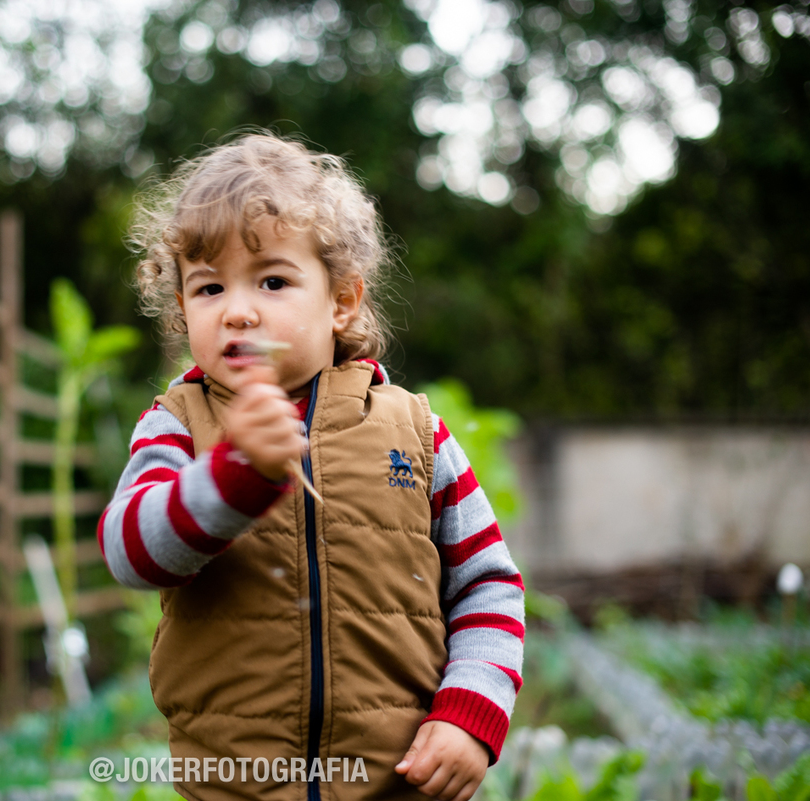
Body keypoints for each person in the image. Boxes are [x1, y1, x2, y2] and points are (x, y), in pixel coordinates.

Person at [98, 133, 524, 801]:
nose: (239, 308)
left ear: (342, 301)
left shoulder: (416, 432)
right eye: (208, 287)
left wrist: (471, 713)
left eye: (272, 279)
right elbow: (131, 551)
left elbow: (487, 586)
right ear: (182, 310)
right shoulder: (178, 423)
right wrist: (231, 477)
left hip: (397, 782)